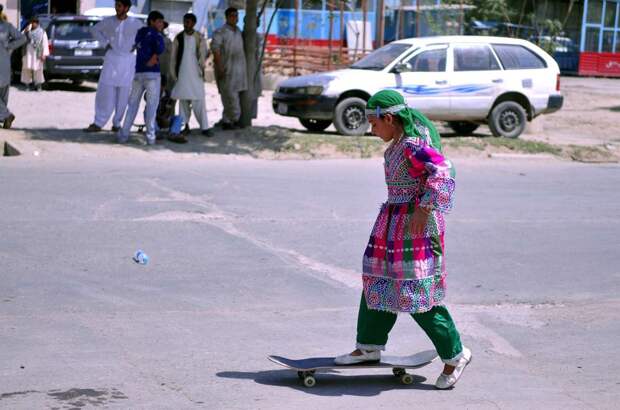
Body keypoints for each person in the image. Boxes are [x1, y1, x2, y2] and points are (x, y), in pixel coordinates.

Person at [334, 90, 471, 390]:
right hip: (393, 223)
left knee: (416, 292)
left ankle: (454, 354)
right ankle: (369, 345)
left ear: (389, 118)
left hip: (417, 227)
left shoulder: (412, 145)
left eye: (374, 123)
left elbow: (444, 170)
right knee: (378, 279)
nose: (372, 130)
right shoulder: (396, 145)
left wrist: (425, 208)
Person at [84, 0, 143, 133]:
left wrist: (136, 45)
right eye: (116, 5)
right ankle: (98, 122)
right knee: (105, 92)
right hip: (112, 59)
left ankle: (117, 123)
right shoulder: (109, 21)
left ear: (126, 8)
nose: (117, 8)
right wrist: (105, 43)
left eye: (120, 6)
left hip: (128, 61)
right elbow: (94, 29)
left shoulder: (136, 23)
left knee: (123, 94)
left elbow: (144, 35)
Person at [118, 10, 165, 145]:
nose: (161, 24)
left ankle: (124, 135)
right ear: (152, 21)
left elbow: (137, 47)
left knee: (132, 106)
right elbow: (160, 49)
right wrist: (154, 57)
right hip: (152, 75)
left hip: (138, 74)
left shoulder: (140, 33)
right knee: (151, 107)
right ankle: (150, 137)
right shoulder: (157, 35)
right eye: (159, 21)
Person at [169, 13, 212, 138]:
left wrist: (201, 68)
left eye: (188, 22)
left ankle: (204, 127)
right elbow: (173, 58)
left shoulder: (199, 37)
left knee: (199, 101)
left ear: (194, 23)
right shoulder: (178, 38)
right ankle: (184, 126)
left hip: (195, 75)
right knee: (183, 102)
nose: (186, 24)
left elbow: (203, 55)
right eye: (185, 21)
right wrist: (173, 74)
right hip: (182, 75)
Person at [211, 7, 247, 130]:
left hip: (239, 70)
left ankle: (227, 120)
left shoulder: (238, 31)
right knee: (229, 96)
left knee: (234, 95)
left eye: (236, 15)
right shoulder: (220, 32)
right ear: (227, 17)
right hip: (227, 69)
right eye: (232, 15)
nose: (234, 18)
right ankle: (232, 120)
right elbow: (215, 49)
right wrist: (220, 67)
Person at [0, 11, 26, 129]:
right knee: (3, 93)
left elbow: (22, 38)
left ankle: (7, 115)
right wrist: (9, 46)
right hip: (5, 61)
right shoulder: (7, 26)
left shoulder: (8, 26)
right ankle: (4, 119)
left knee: (3, 92)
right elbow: (22, 38)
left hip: (4, 61)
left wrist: (9, 46)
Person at [21, 17, 49, 92]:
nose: (33, 24)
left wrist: (44, 54)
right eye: (32, 22)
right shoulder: (27, 31)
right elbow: (20, 37)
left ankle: (38, 85)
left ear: (37, 23)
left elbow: (45, 43)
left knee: (38, 69)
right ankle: (27, 85)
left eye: (34, 22)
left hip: (38, 53)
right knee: (26, 69)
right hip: (27, 53)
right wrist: (26, 31)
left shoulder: (42, 32)